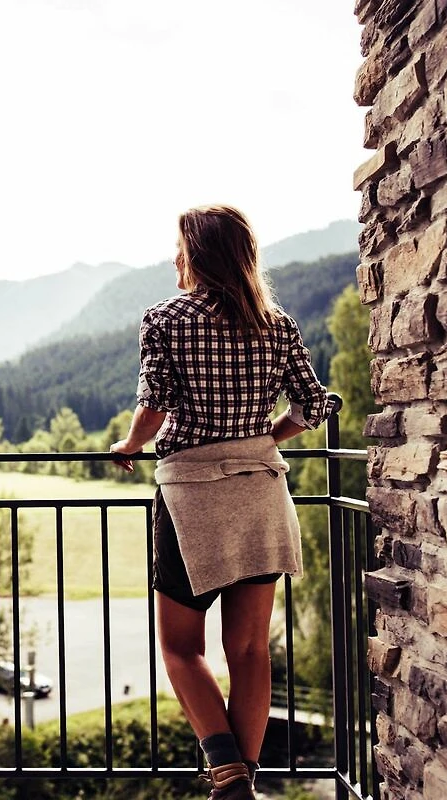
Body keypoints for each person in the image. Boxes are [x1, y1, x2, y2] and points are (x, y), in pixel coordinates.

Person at [110, 205, 329, 800]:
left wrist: (130, 445)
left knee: (181, 647)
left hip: (193, 498)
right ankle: (243, 783)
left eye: (180, 249)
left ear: (198, 255)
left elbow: (154, 405)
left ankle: (228, 774)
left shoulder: (165, 319)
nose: (173, 259)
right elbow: (313, 406)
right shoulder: (275, 323)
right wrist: (262, 437)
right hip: (261, 492)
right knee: (251, 649)